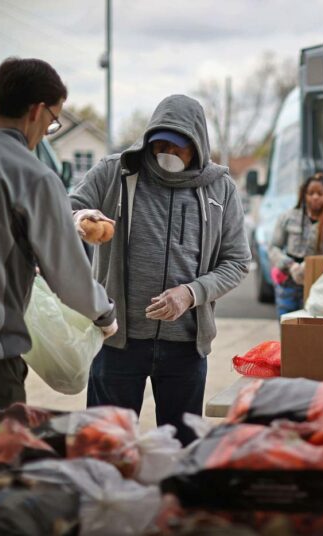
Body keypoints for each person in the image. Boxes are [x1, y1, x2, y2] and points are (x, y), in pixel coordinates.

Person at [70, 94, 250, 444]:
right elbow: (66, 209)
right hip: (118, 341)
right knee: (105, 446)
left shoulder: (220, 189)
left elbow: (237, 261)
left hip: (184, 347)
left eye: (177, 146)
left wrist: (190, 294)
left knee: (181, 449)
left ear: (196, 146)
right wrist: (82, 217)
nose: (166, 151)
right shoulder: (116, 172)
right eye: (159, 143)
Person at [0, 57, 117, 416]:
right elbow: (68, 278)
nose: (47, 130)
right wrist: (104, 315)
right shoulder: (34, 176)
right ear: (37, 111)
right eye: (54, 121)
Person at [269, 173, 323, 316]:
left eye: (320, 193)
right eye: (311, 193)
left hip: (320, 288)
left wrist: (313, 266)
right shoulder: (287, 218)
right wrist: (290, 265)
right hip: (288, 284)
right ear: (303, 194)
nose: (315, 197)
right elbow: (273, 247)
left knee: (311, 332)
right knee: (288, 330)